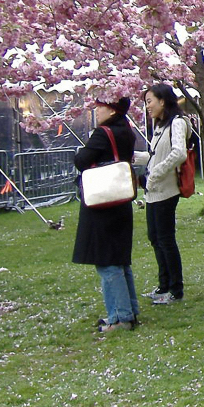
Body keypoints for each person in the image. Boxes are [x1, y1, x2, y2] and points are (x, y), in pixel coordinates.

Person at [73, 96, 139, 333]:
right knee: (120, 259)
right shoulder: (128, 132)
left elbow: (81, 160)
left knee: (107, 261)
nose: (96, 110)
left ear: (111, 110)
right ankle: (129, 310)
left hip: (103, 201)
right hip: (120, 199)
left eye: (100, 106)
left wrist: (83, 150)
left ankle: (120, 317)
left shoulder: (103, 133)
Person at [138, 84, 188, 305]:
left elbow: (179, 153)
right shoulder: (159, 126)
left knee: (166, 240)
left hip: (166, 191)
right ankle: (163, 285)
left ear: (163, 101)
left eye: (150, 101)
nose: (147, 106)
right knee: (155, 238)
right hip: (152, 192)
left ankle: (175, 289)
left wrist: (157, 173)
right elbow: (155, 154)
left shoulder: (177, 123)